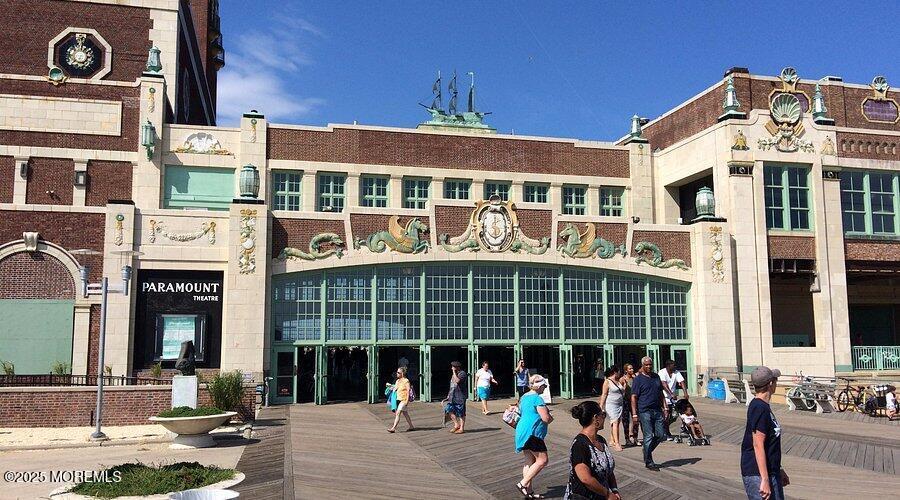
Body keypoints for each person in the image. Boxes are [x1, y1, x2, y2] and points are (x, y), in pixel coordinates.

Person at [741, 366, 789, 500]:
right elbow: (758, 444)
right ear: (770, 383)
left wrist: (778, 468)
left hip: (770, 471)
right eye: (775, 380)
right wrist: (764, 480)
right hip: (757, 473)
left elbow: (769, 443)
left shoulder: (763, 406)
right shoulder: (759, 408)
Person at [564, 401, 620, 500]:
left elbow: (608, 470)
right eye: (603, 414)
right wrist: (607, 494)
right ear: (595, 418)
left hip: (601, 495)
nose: (604, 418)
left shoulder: (601, 440)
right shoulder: (580, 444)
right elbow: (585, 479)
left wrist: (614, 490)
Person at [515, 374, 553, 499]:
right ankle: (522, 484)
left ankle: (529, 491)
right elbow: (545, 418)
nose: (545, 388)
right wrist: (550, 417)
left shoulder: (524, 397)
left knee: (529, 461)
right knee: (543, 460)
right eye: (544, 386)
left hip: (522, 431)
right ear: (539, 386)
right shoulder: (537, 399)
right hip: (533, 433)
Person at [630, 356, 667, 470]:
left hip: (657, 410)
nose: (648, 366)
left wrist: (665, 407)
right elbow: (633, 397)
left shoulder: (656, 377)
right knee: (648, 436)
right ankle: (649, 462)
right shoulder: (638, 379)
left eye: (650, 364)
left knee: (661, 435)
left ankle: (647, 450)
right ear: (642, 365)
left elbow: (661, 393)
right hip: (644, 411)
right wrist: (634, 414)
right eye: (646, 365)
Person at [658, 359, 687, 440]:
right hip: (663, 397)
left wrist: (685, 393)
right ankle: (666, 432)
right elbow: (664, 384)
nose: (675, 367)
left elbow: (682, 382)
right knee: (666, 415)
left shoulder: (676, 372)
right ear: (668, 366)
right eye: (673, 365)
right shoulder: (662, 372)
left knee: (674, 415)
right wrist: (671, 394)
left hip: (672, 398)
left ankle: (664, 427)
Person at [598, 365, 624, 451]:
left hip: (620, 405)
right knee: (615, 422)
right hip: (611, 405)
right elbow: (604, 394)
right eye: (619, 371)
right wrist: (601, 406)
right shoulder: (607, 381)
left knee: (616, 422)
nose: (620, 373)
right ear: (615, 372)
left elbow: (622, 391)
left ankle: (612, 440)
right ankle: (617, 443)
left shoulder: (619, 381)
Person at [387, 366, 415, 433]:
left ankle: (393, 428)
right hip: (398, 399)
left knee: (398, 413)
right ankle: (411, 426)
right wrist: (390, 386)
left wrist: (407, 401)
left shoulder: (406, 381)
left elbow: (408, 391)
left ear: (402, 373)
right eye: (397, 372)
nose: (397, 373)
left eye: (398, 372)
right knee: (405, 414)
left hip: (404, 400)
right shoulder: (397, 381)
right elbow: (395, 389)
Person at [443, 361, 467, 434]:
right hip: (452, 396)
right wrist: (448, 395)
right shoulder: (454, 374)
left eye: (453, 367)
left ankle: (462, 428)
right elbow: (452, 385)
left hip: (460, 397)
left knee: (461, 413)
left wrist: (453, 372)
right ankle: (456, 424)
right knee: (448, 409)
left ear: (457, 367)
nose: (452, 368)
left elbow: (457, 381)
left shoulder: (462, 373)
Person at [619, 363, 638, 446]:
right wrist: (624, 387)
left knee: (636, 419)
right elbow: (620, 392)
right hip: (625, 401)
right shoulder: (622, 379)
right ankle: (627, 439)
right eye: (630, 369)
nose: (632, 370)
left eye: (632, 368)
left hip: (634, 401)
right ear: (626, 370)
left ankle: (635, 438)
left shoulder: (635, 378)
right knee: (625, 420)